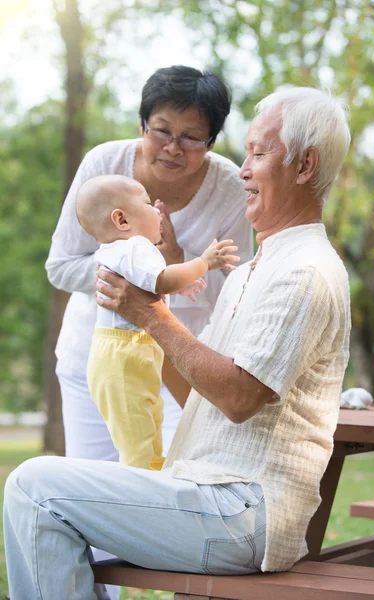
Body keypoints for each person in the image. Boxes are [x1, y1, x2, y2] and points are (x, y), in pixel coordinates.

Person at [4, 86, 351, 599]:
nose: (243, 170)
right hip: (208, 493)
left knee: (35, 489)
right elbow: (197, 390)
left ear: (305, 166)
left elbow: (237, 398)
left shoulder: (304, 271)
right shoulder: (257, 267)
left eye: (258, 153)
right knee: (42, 490)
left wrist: (150, 312)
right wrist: (137, 323)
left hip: (241, 510)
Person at [45, 65, 253, 599]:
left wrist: (179, 269)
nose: (173, 148)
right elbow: (61, 264)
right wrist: (129, 274)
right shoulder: (104, 167)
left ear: (212, 139)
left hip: (183, 364)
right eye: (162, 130)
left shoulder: (230, 186)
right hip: (99, 359)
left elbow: (241, 284)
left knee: (184, 486)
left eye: (192, 138)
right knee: (89, 494)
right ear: (143, 124)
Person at [76, 174, 239, 468]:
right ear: (122, 220)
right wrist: (204, 263)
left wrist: (179, 284)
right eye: (148, 204)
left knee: (144, 421)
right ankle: (143, 482)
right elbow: (161, 279)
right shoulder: (134, 247)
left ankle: (149, 471)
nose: (157, 211)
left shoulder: (117, 251)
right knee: (138, 434)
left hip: (122, 355)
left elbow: (152, 284)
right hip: (125, 357)